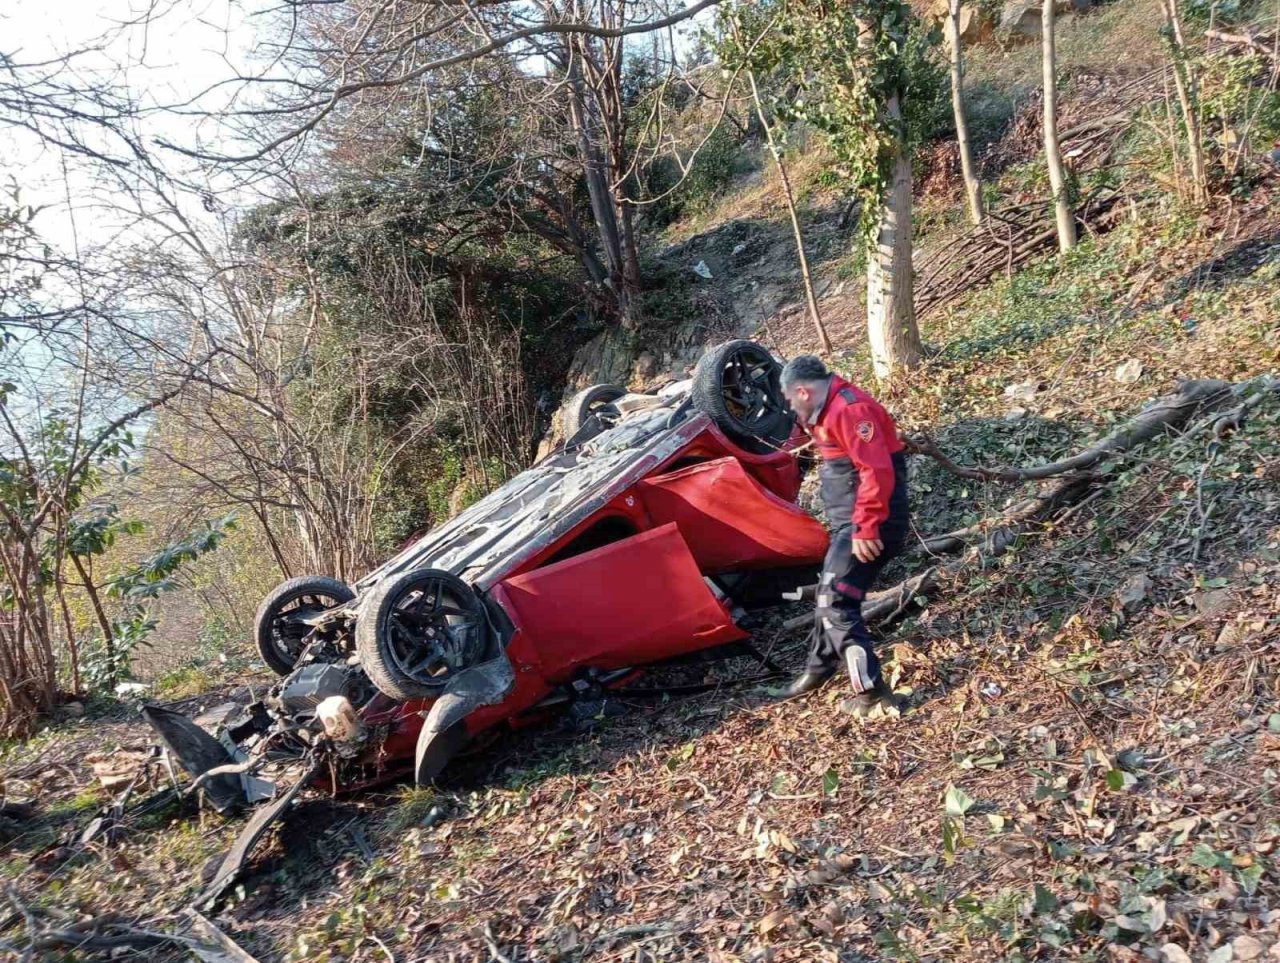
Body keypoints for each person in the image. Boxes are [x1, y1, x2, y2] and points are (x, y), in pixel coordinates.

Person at [779, 355, 910, 717]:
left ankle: (871, 695)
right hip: (848, 524)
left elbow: (876, 471)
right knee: (828, 591)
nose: (791, 408)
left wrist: (867, 528)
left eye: (791, 399)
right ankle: (818, 670)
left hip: (868, 524)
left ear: (803, 391)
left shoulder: (849, 410)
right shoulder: (823, 411)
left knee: (837, 601)